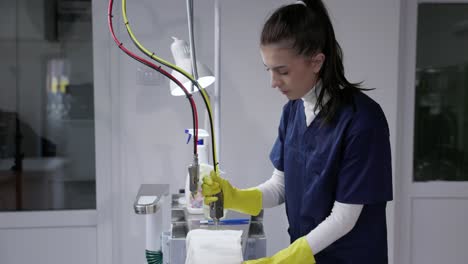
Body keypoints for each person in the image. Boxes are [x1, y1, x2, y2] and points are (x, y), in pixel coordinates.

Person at [202, 0, 393, 263]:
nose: (273, 82)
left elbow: (345, 217)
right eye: (268, 70)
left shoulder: (362, 120)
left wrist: (288, 257)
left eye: (282, 71)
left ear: (316, 62)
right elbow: (281, 186)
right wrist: (234, 196)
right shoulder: (293, 112)